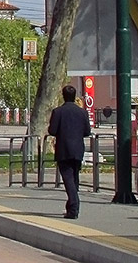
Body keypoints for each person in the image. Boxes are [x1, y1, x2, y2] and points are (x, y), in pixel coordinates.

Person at [48, 85, 91, 219]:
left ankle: (73, 207)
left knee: (68, 179)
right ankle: (72, 206)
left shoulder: (58, 111)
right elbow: (87, 131)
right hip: (78, 148)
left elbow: (52, 131)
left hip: (64, 149)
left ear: (63, 95)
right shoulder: (82, 112)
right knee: (74, 178)